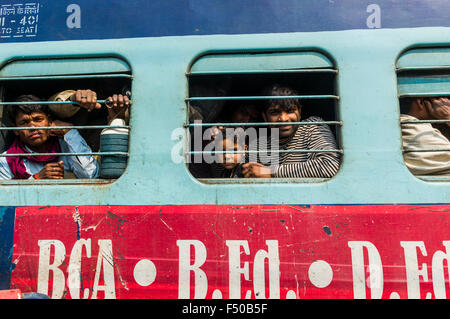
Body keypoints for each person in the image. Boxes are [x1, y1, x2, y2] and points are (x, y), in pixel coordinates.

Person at [0, 91, 129, 180]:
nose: (33, 127)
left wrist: (70, 132)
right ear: (15, 130)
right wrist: (37, 179)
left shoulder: (66, 147)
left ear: (50, 122)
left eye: (38, 119)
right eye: (24, 122)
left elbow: (90, 175)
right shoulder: (6, 161)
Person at [241, 84, 341, 178]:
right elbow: (239, 175)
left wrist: (269, 172)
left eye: (290, 111)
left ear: (300, 112)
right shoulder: (258, 146)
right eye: (275, 112)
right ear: (265, 117)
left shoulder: (312, 127)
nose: (284, 118)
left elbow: (330, 166)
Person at [400, 96, 450, 176]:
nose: (448, 103)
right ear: (420, 102)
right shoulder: (420, 133)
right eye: (444, 99)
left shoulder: (402, 125)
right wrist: (448, 116)